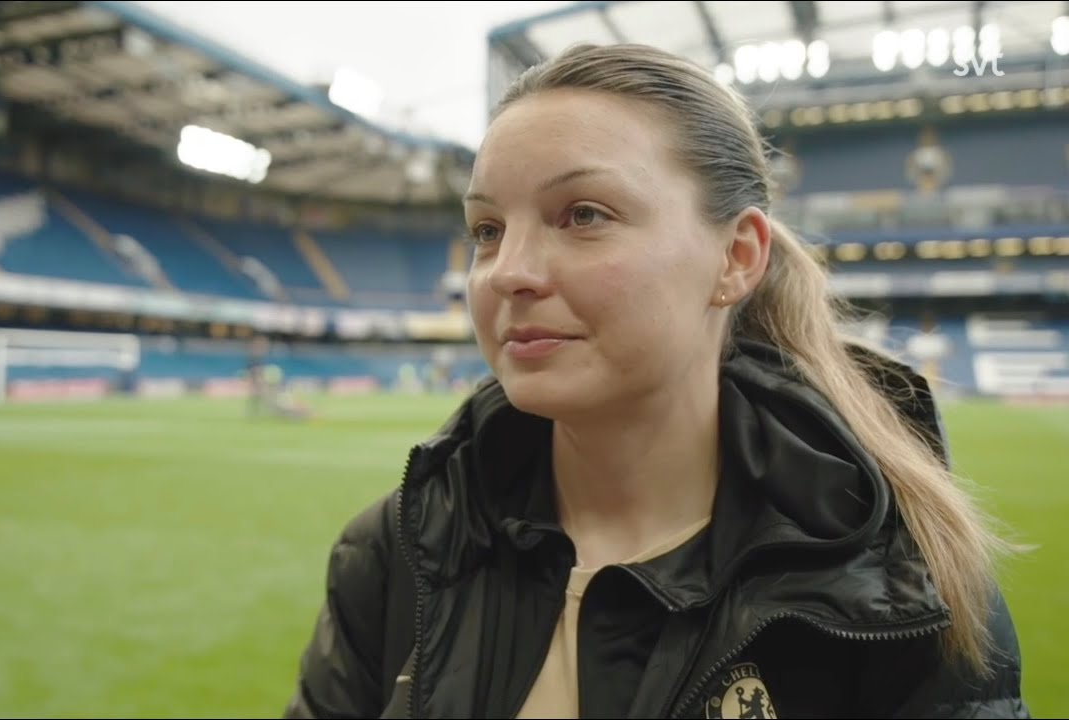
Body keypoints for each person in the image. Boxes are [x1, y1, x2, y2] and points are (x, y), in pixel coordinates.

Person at [283, 43, 1028, 719]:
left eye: (582, 214)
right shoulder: (398, 547)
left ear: (736, 257)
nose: (507, 271)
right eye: (486, 230)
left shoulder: (902, 586)